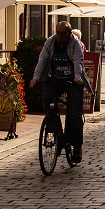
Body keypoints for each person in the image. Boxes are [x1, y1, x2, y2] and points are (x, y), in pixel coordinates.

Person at [28, 22, 86, 164]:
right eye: (58, 33)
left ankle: (76, 148)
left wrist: (78, 76)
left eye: (63, 34)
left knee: (74, 115)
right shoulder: (50, 42)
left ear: (69, 34)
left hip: (73, 81)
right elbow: (42, 59)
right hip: (55, 79)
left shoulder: (75, 44)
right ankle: (54, 129)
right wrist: (35, 77)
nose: (59, 36)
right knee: (47, 103)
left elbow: (78, 61)